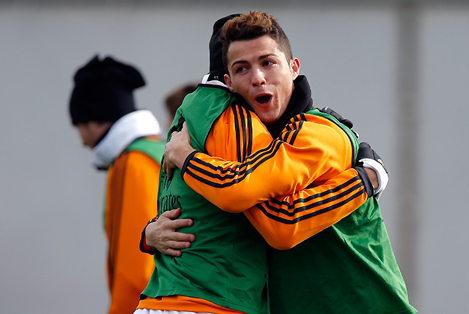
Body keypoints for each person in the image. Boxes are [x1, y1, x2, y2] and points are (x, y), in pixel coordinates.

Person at [153, 11, 417, 314]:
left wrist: (185, 157)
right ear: (229, 83)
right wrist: (151, 233)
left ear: (293, 68)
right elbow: (223, 213)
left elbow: (281, 223)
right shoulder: (253, 143)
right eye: (243, 69)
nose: (258, 77)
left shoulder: (319, 132)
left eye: (268, 63)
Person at [68, 55, 165, 314]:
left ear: (97, 120)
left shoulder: (130, 163)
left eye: (79, 126)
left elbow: (134, 269)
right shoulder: (158, 152)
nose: (82, 141)